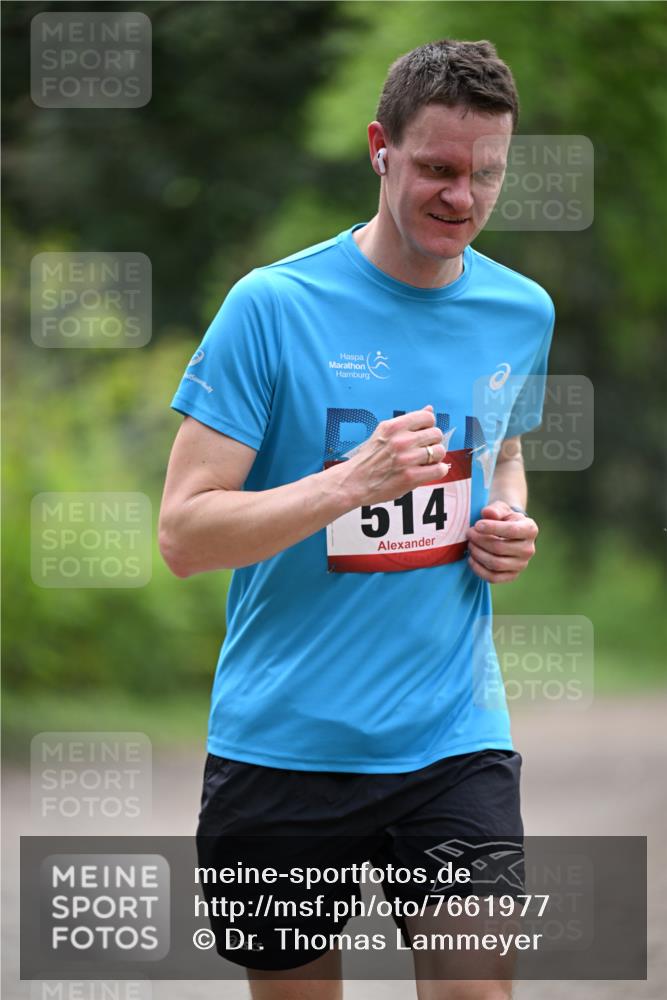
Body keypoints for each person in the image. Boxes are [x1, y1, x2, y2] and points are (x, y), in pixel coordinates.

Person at [159, 38, 554, 1000]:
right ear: (380, 148)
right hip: (284, 745)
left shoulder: (520, 311)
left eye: (484, 174)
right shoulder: (271, 307)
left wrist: (505, 515)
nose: (461, 196)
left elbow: (502, 446)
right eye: (436, 168)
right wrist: (347, 484)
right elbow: (184, 533)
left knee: (476, 992)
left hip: (452, 735)